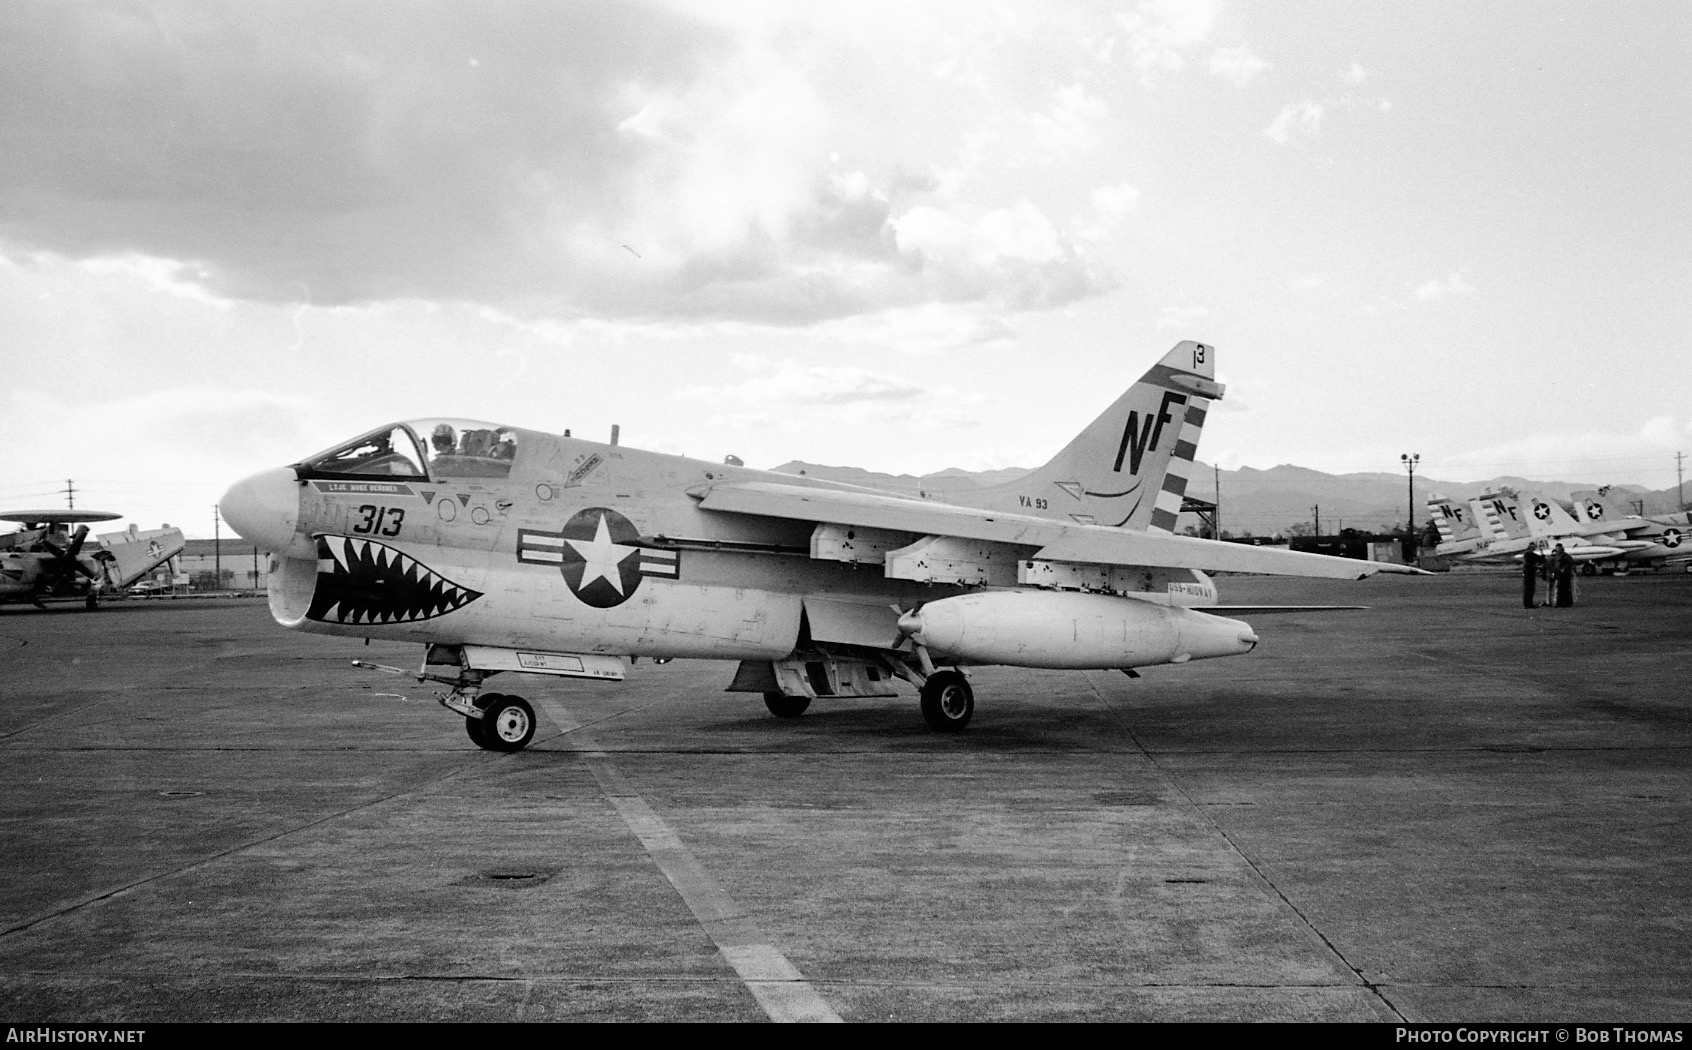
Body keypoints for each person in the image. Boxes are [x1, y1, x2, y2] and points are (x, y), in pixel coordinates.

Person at [1552, 543, 1576, 607]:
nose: (1557, 549)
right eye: (1556, 548)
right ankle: (1559, 603)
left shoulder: (1565, 556)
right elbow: (1556, 565)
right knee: (1559, 589)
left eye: (1558, 548)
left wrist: (1564, 568)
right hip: (1559, 574)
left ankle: (1566, 602)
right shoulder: (1557, 556)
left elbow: (1570, 563)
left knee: (1566, 588)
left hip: (1565, 575)